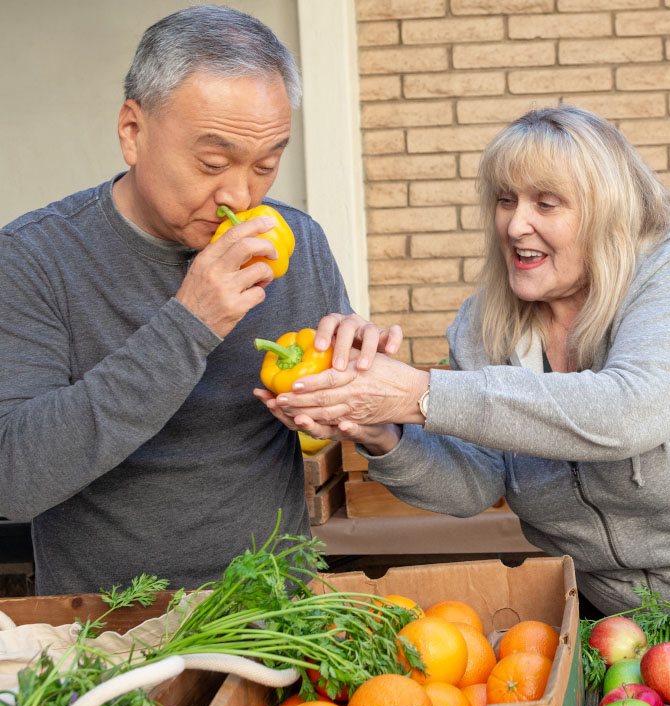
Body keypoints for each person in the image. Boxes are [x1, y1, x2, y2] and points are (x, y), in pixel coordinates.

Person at [260, 105, 670, 616]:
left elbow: (630, 412)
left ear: (607, 213)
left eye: (545, 204)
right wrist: (377, 430)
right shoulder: (485, 325)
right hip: (609, 620)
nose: (516, 224)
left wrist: (419, 392)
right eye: (506, 200)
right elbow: (475, 484)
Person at [0, 5, 398, 595]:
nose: (239, 194)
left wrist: (361, 396)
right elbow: (14, 480)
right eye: (212, 163)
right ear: (133, 132)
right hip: (107, 627)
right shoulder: (34, 258)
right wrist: (190, 322)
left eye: (266, 165)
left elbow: (327, 432)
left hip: (274, 620)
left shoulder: (298, 244)